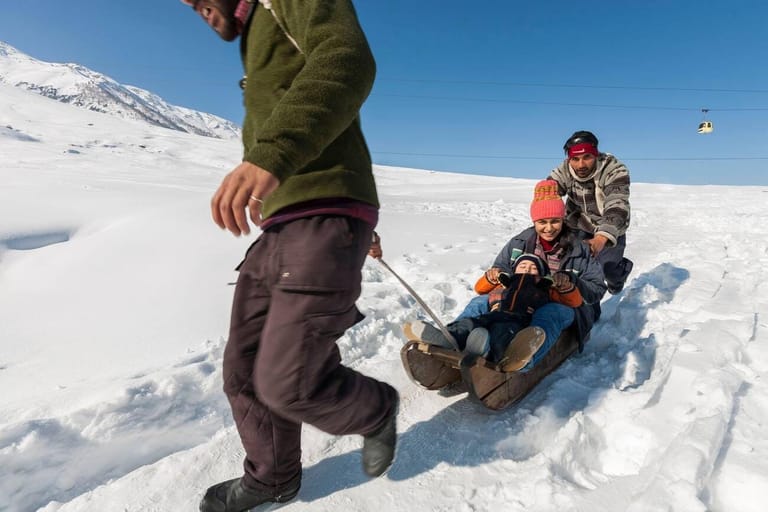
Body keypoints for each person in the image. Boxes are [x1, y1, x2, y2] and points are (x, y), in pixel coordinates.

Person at [181, 1, 399, 511]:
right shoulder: (254, 33)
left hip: (325, 213)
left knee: (288, 383)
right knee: (243, 370)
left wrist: (270, 155)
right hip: (283, 223)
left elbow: (347, 58)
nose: (200, 9)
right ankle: (272, 478)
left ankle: (374, 410)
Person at [429, 180, 607, 369]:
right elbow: (500, 267)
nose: (549, 228)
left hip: (564, 303)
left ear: (563, 219)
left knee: (549, 313)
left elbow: (597, 289)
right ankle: (452, 339)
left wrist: (572, 282)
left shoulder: (579, 248)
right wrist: (498, 277)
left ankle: (522, 358)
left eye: (555, 221)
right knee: (480, 303)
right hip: (521, 299)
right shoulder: (519, 242)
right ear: (534, 221)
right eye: (542, 222)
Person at [406, 253, 584, 372]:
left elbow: (573, 301)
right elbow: (480, 289)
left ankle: (488, 354)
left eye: (533, 268)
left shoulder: (545, 287)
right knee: (471, 323)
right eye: (523, 267)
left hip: (518, 320)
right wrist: (490, 277)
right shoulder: (506, 284)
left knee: (502, 334)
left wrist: (565, 288)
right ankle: (449, 337)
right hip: (495, 313)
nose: (527, 270)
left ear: (542, 274)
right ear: (514, 271)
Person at [548, 130, 633, 294]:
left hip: (610, 226)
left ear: (596, 154)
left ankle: (619, 274)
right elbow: (547, 193)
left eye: (587, 157)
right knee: (567, 263)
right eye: (575, 159)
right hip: (578, 223)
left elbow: (617, 205)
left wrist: (601, 239)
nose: (581, 165)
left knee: (606, 268)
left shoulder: (614, 170)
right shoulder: (564, 170)